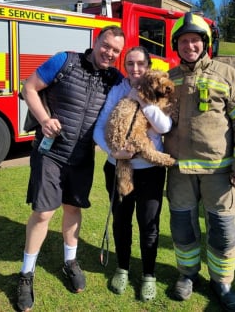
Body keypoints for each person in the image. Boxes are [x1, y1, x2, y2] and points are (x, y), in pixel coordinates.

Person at [17, 26, 125, 312]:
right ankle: (26, 274)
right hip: (50, 152)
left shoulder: (114, 78)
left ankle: (70, 262)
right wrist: (43, 119)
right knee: (43, 212)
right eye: (106, 46)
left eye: (116, 50)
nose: (110, 53)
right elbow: (28, 87)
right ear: (96, 42)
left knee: (73, 209)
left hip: (82, 157)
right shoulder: (64, 60)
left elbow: (134, 96)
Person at [164, 13, 235, 311]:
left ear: (205, 43)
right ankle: (188, 275)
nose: (189, 45)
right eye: (183, 41)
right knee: (182, 227)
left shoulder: (226, 75)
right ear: (176, 44)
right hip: (179, 170)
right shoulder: (170, 78)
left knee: (222, 228)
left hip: (219, 171)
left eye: (195, 40)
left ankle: (222, 281)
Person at [93, 46, 172, 302]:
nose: (135, 69)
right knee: (121, 221)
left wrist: (143, 102)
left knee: (149, 225)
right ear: (124, 66)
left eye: (140, 64)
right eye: (129, 64)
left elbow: (164, 127)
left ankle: (149, 274)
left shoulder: (158, 89)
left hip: (150, 171)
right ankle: (123, 268)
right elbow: (100, 127)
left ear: (148, 66)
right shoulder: (117, 89)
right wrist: (114, 152)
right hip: (117, 169)